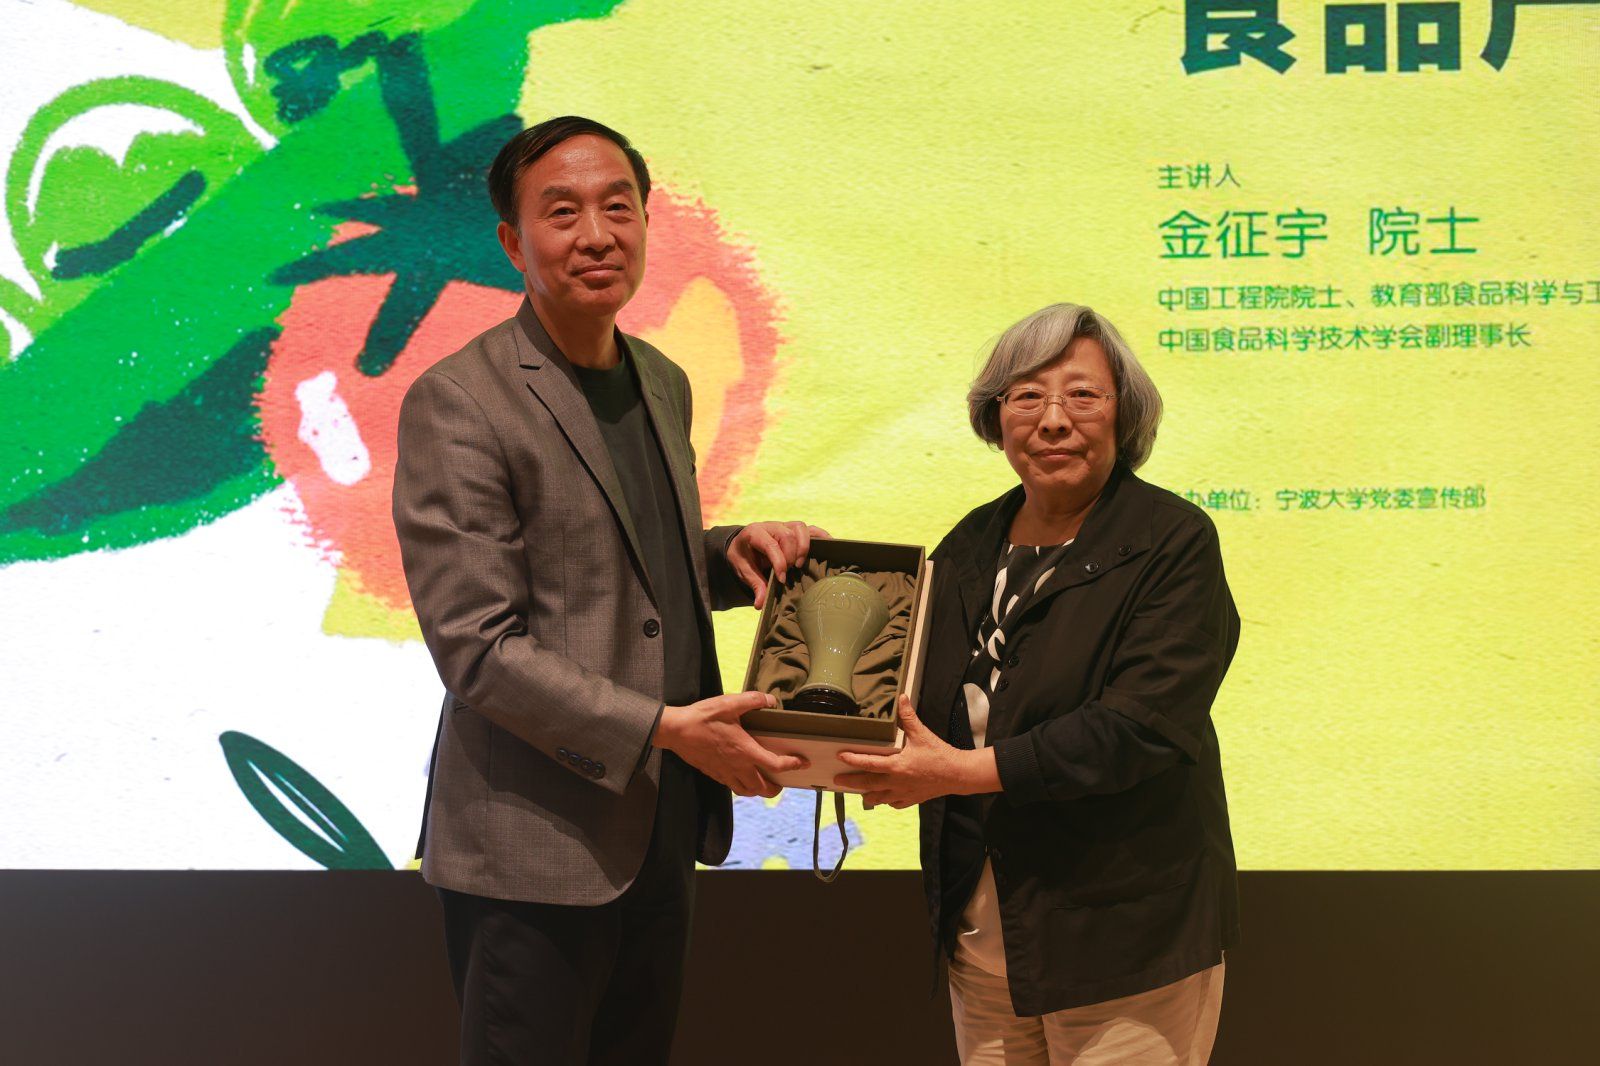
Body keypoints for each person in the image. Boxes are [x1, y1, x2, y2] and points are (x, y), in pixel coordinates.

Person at [392, 115, 822, 1066]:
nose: (596, 235)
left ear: (645, 222)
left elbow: (621, 564)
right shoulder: (461, 400)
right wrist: (663, 728)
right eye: (562, 213)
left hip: (657, 823)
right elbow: (477, 647)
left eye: (617, 208)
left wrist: (734, 554)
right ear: (514, 244)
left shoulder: (660, 379)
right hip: (533, 843)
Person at [837, 303, 1240, 1064]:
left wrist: (955, 773)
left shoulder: (1173, 540)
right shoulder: (968, 543)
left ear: (1125, 414)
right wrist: (818, 737)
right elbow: (907, 696)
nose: (1053, 419)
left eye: (1082, 395)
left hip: (1124, 946)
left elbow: (1139, 727)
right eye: (1027, 396)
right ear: (996, 418)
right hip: (984, 939)